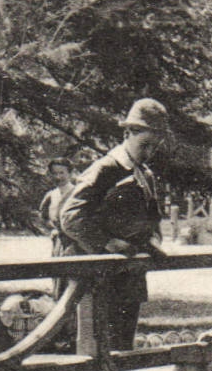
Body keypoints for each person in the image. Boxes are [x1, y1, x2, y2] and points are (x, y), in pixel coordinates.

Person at [57, 98, 169, 350]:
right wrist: (107, 242)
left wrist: (153, 242)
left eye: (155, 146)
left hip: (130, 278)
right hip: (100, 277)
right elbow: (71, 217)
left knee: (123, 350)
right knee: (96, 353)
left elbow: (153, 220)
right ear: (128, 133)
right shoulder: (106, 169)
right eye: (145, 145)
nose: (149, 152)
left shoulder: (145, 175)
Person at [36, 157, 76, 249]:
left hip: (75, 243)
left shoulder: (77, 193)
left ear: (70, 173)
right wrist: (52, 229)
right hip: (58, 243)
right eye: (54, 173)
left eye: (62, 173)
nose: (58, 177)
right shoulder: (51, 195)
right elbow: (43, 217)